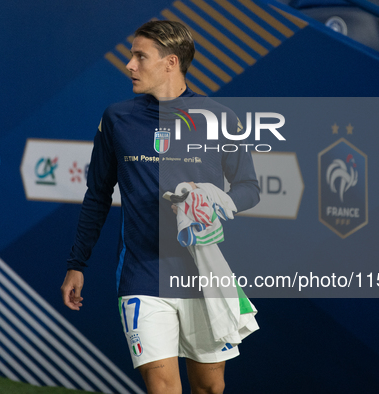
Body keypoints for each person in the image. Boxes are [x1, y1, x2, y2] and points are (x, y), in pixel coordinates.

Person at [61, 20, 260, 394]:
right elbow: (98, 194)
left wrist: (219, 205)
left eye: (140, 56)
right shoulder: (117, 119)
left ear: (171, 63)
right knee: (162, 386)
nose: (129, 65)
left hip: (202, 276)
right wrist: (77, 263)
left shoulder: (219, 118)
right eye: (131, 55)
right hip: (141, 275)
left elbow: (250, 187)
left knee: (209, 387)